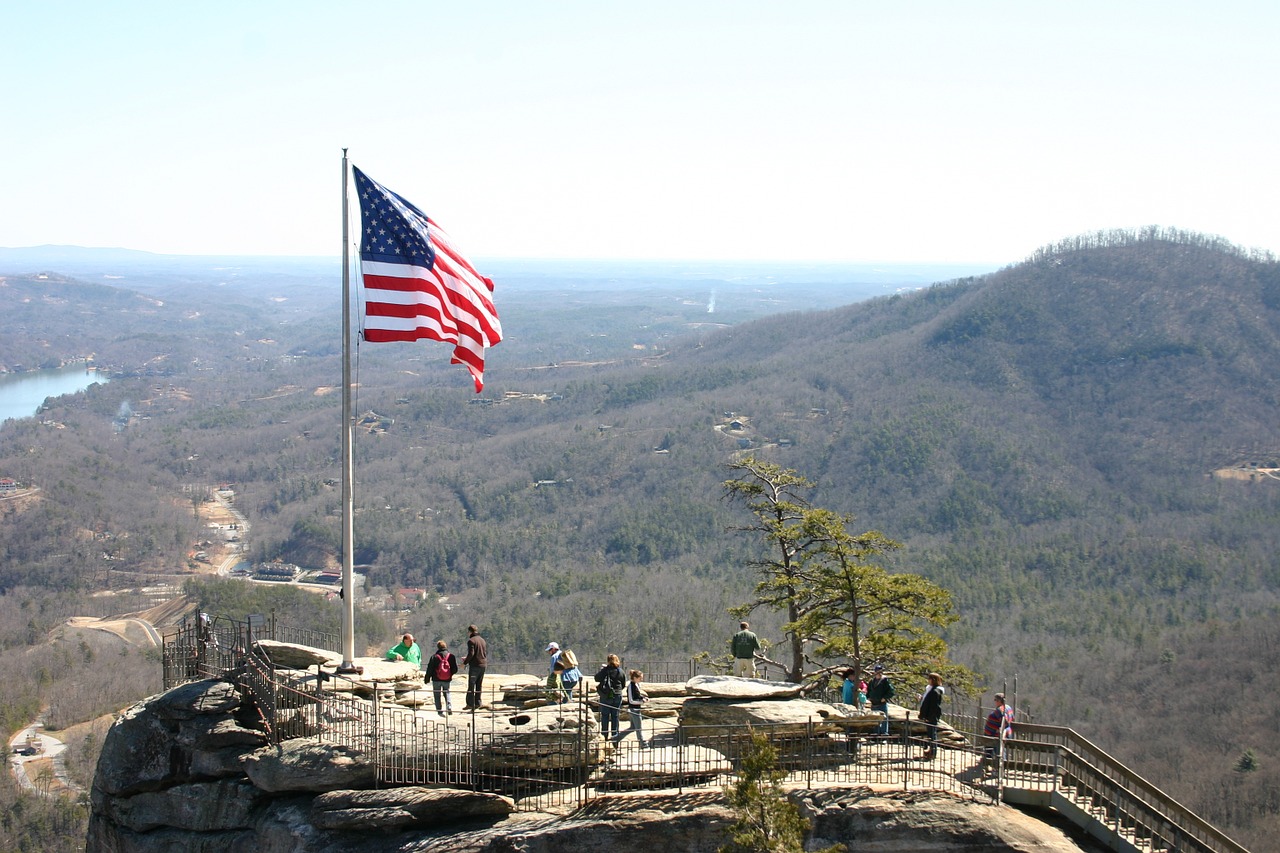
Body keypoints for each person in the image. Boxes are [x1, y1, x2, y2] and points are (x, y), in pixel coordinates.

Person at [594, 654, 627, 741]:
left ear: (608, 661)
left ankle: (604, 735)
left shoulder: (605, 671)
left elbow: (596, 678)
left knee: (605, 715)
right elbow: (623, 684)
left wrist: (603, 670)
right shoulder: (620, 671)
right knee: (615, 716)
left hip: (606, 695)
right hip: (617, 695)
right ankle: (615, 736)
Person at [615, 669, 649, 747]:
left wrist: (643, 698)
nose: (641, 679)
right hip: (633, 709)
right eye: (640, 678)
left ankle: (616, 738)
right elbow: (631, 700)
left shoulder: (637, 685)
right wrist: (642, 701)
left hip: (637, 708)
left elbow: (637, 695)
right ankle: (642, 742)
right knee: (638, 727)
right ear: (635, 678)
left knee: (633, 727)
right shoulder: (631, 686)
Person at [425, 640, 458, 716]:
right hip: (447, 679)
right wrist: (450, 674)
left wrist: (427, 678)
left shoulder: (434, 657)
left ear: (438, 647)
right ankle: (449, 706)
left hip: (436, 679)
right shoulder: (451, 656)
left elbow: (429, 669)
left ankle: (439, 710)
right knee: (447, 692)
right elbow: (455, 669)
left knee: (437, 695)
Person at [918, 672, 944, 760]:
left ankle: (933, 753)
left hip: (931, 716)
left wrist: (930, 717)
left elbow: (934, 706)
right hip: (929, 716)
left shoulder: (935, 691)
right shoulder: (931, 690)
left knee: (932, 735)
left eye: (929, 679)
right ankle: (930, 751)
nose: (928, 680)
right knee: (930, 734)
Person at [983, 692, 1014, 766]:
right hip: (1004, 733)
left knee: (997, 751)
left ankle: (992, 765)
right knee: (1001, 750)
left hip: (996, 735)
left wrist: (1001, 729)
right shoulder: (1008, 707)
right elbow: (1012, 718)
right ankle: (994, 765)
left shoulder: (1000, 710)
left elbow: (1005, 722)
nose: (995, 702)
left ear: (999, 701)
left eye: (995, 700)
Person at [461, 625, 487, 711]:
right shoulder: (482, 640)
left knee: (471, 685)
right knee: (479, 685)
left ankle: (470, 704)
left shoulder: (471, 641)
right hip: (483, 664)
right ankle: (478, 702)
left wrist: (464, 663)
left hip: (475, 666)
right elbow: (481, 653)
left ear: (470, 632)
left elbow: (471, 654)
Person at [866, 664, 894, 735]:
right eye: (877, 671)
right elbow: (868, 690)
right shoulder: (872, 681)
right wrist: (868, 697)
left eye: (880, 671)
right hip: (874, 704)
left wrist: (885, 698)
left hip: (881, 703)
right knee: (875, 720)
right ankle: (876, 735)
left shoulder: (885, 680)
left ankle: (884, 735)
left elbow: (891, 691)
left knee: (884, 720)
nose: (879, 673)